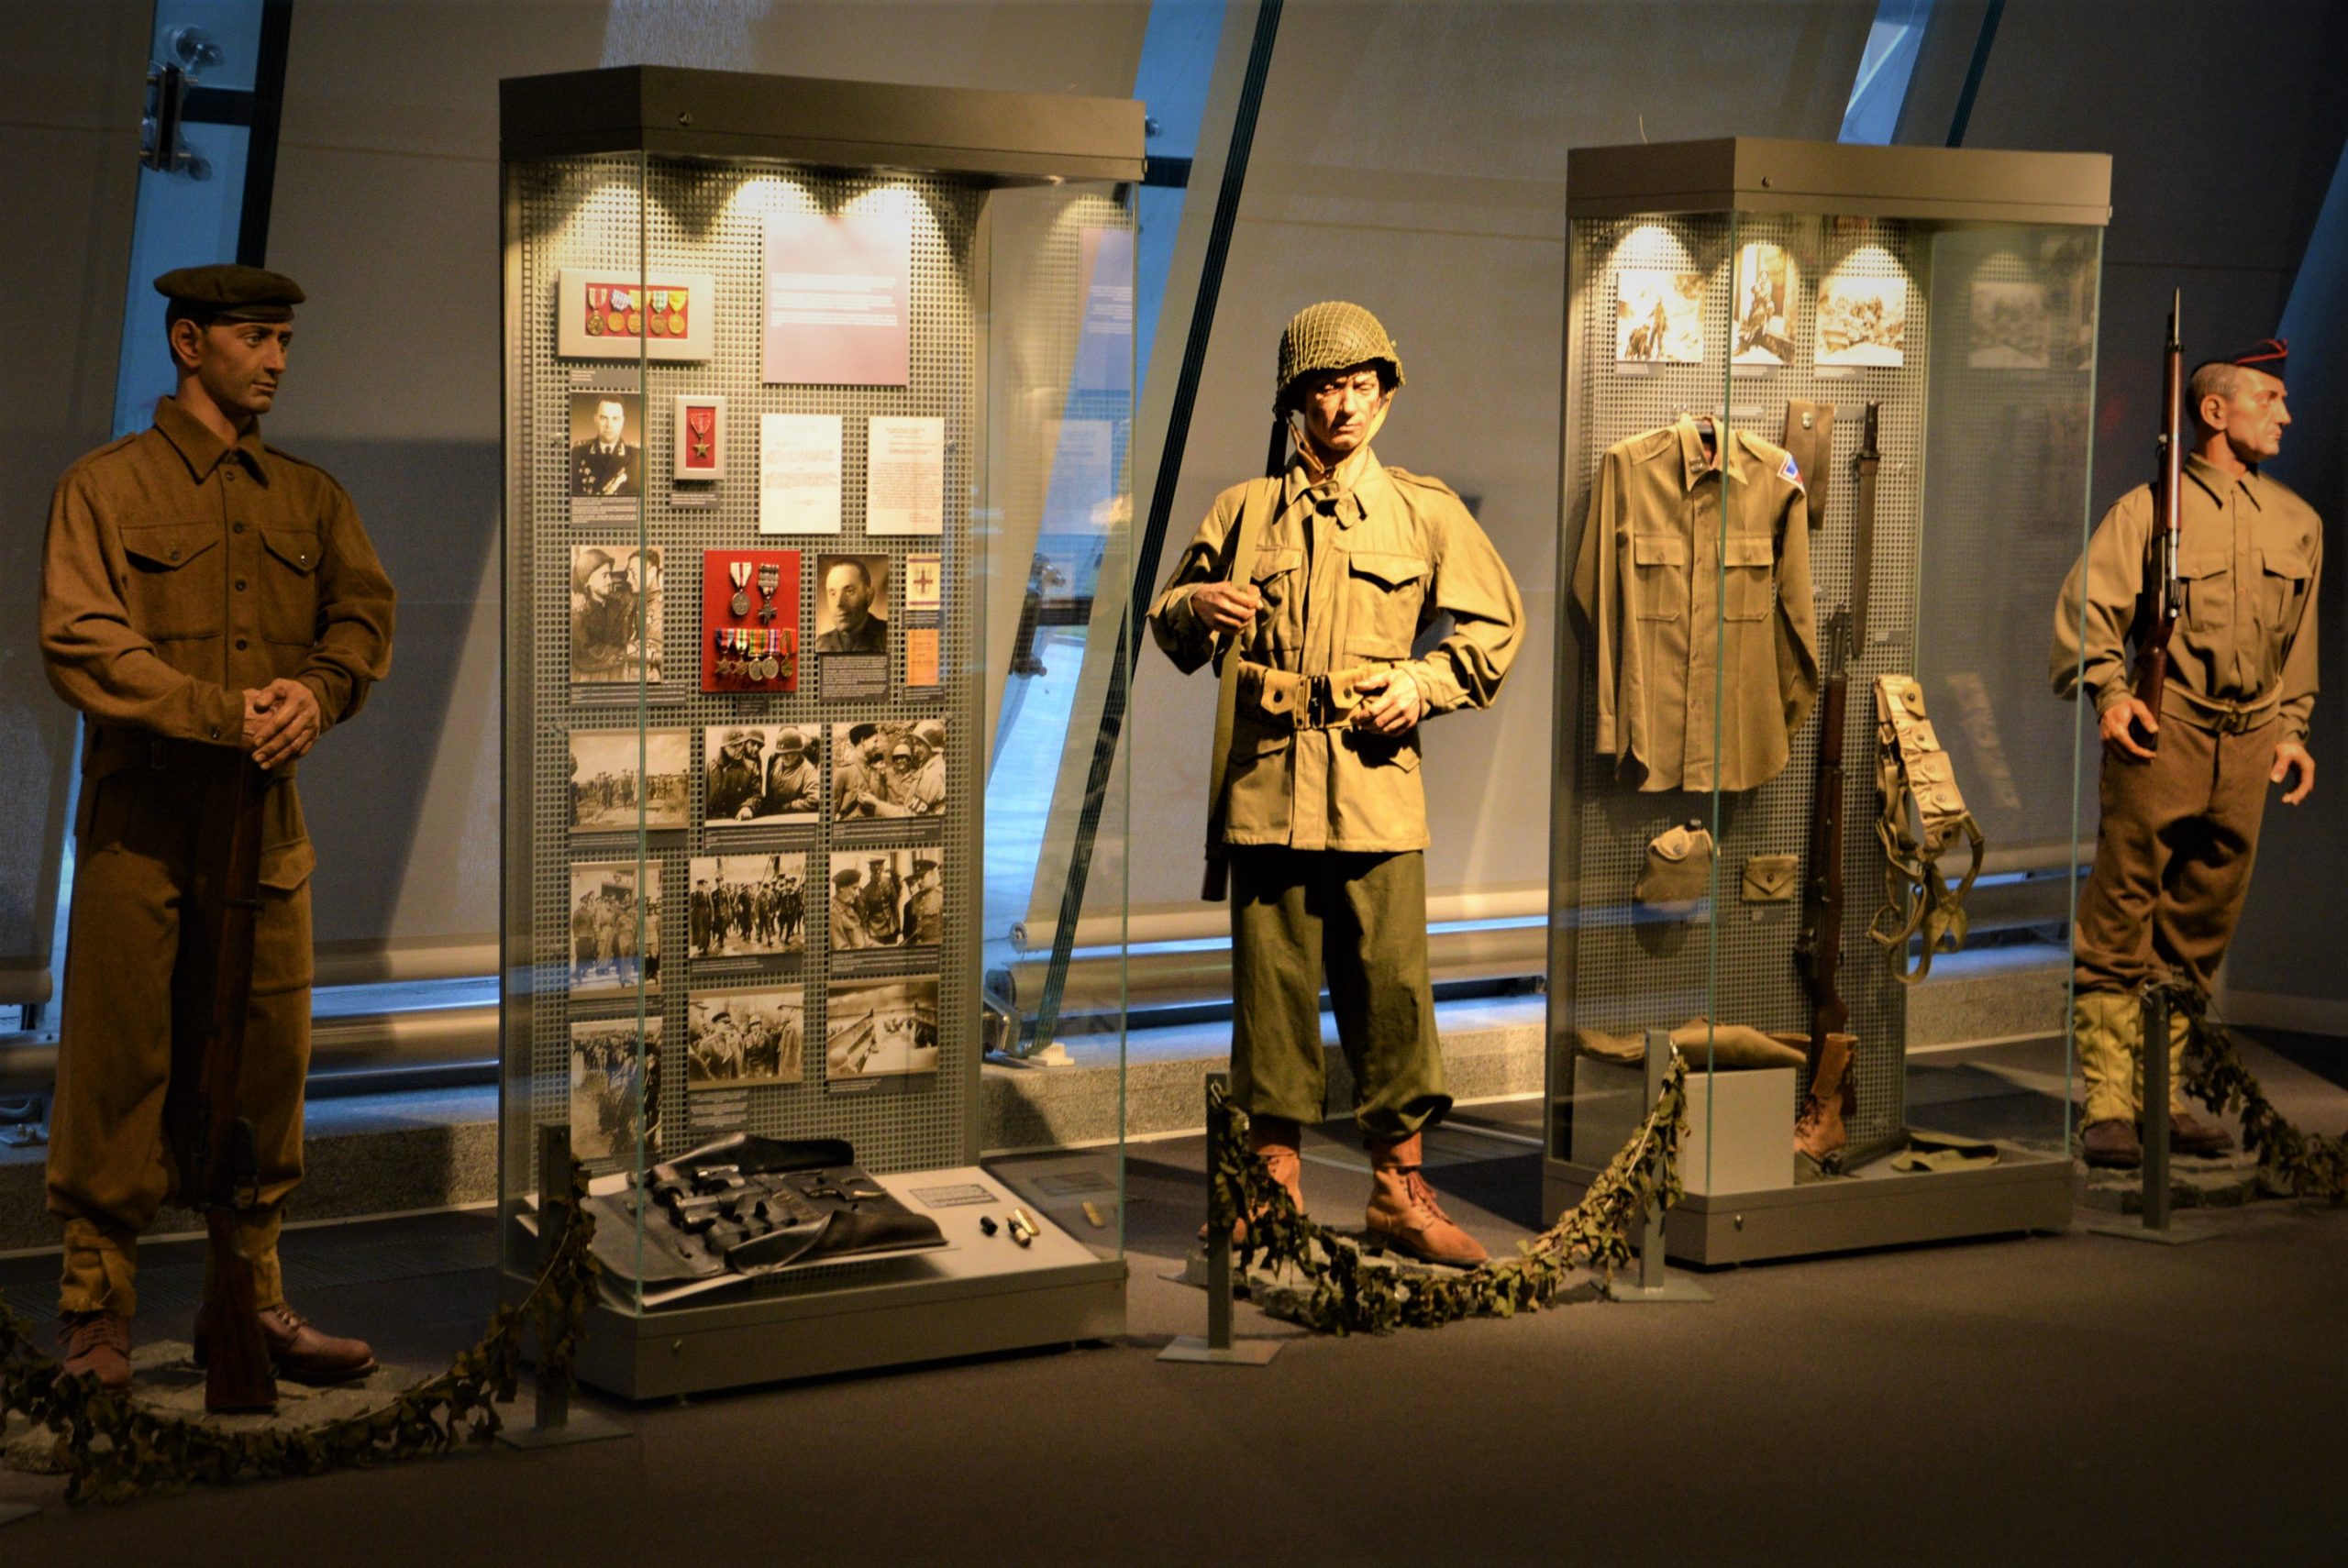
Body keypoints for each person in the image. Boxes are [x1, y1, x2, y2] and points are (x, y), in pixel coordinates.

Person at [37, 264, 395, 1389]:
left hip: (263, 826)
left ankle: (250, 1300)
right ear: (189, 344)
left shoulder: (310, 498)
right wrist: (218, 712)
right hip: (140, 826)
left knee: (265, 1062)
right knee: (118, 1066)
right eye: (255, 338)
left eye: (284, 338)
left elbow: (362, 615)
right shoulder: (105, 489)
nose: (277, 359)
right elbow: (81, 639)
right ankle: (96, 1314)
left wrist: (317, 694)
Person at [1146, 301, 1523, 1266]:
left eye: (1363, 386)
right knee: (1270, 994)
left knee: (1390, 990)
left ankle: (1399, 1191)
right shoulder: (1243, 512)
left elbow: (1494, 628)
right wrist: (1198, 604)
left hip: (1374, 787)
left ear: (1385, 397)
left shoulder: (1423, 511)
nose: (1347, 405)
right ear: (1295, 400)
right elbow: (1169, 622)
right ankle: (1268, 1188)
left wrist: (1423, 684)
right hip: (1267, 785)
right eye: (1327, 387)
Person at [2053, 336, 2321, 1169]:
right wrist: (2112, 693)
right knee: (2122, 910)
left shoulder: (2298, 522)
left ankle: (2159, 1094)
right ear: (2214, 411)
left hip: (2248, 741)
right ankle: (2108, 1103)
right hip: (2167, 730)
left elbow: (2298, 646)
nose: (2285, 414)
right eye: (2268, 399)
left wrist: (2292, 731)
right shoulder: (2147, 511)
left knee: (2202, 920)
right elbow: (2089, 610)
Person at [814, 558, 887, 654]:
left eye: (849, 591)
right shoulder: (820, 645)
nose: (839, 603)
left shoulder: (890, 637)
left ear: (869, 596)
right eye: (833, 593)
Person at [570, 396, 638, 497]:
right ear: (595, 420)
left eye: (615, 418)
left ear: (622, 421)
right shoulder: (578, 453)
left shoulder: (637, 455)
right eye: (604, 418)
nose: (609, 425)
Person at [760, 726, 819, 818]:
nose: (784, 757)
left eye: (788, 753)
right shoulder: (778, 762)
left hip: (790, 818)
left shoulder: (808, 771)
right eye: (781, 753)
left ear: (798, 752)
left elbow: (815, 800)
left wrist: (789, 807)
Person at [706, 728, 765, 820]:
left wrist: (749, 807)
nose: (739, 749)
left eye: (741, 744)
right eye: (734, 746)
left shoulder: (751, 767)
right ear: (724, 747)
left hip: (738, 820)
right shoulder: (709, 768)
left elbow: (757, 796)